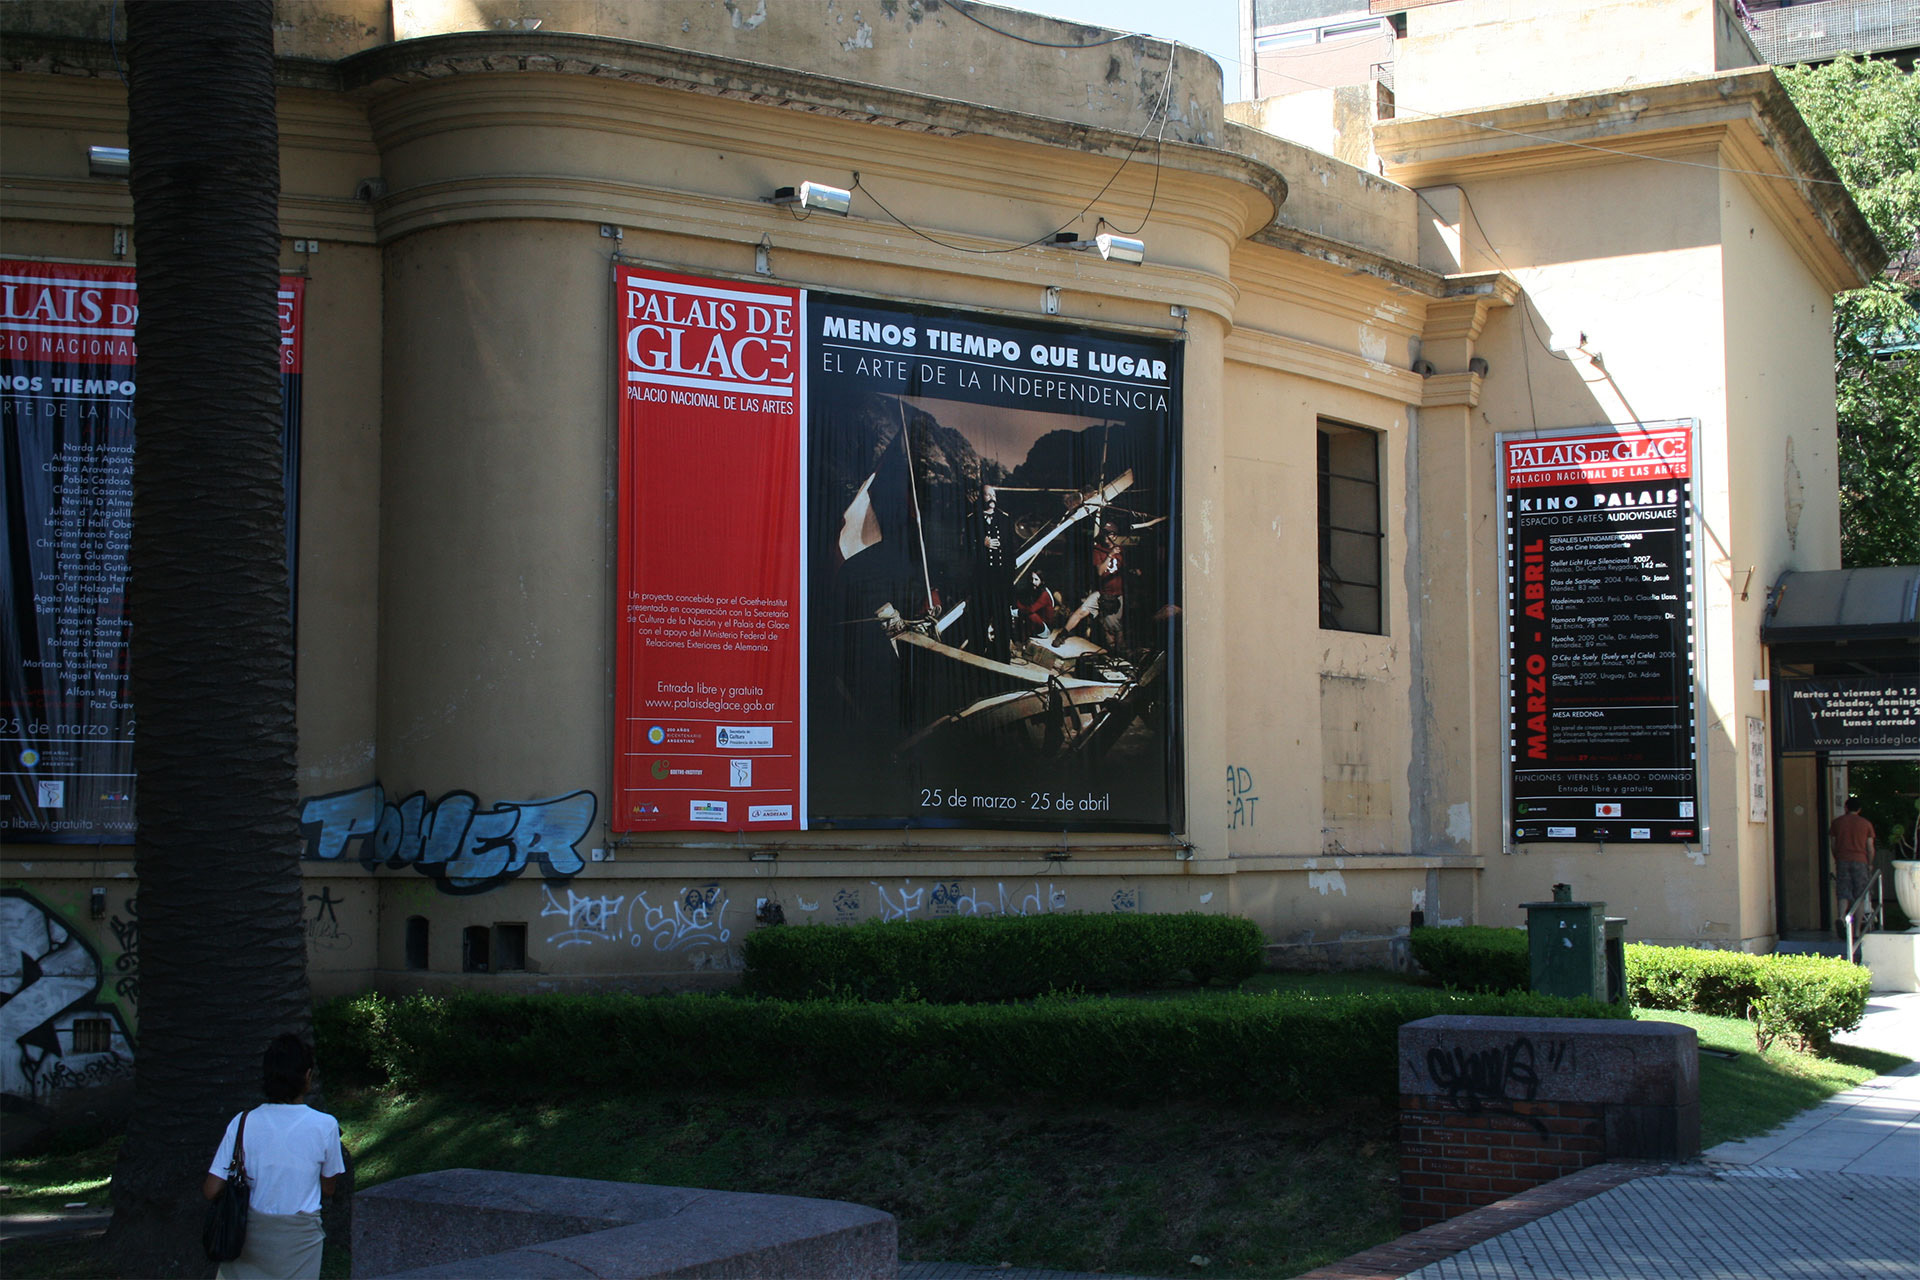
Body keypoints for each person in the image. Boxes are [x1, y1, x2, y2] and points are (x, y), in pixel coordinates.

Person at [204, 1034, 345, 1280]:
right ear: (307, 1077)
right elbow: (329, 1188)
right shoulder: (325, 1126)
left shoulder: (242, 1122)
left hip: (248, 1236)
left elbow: (211, 1189)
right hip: (300, 1239)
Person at [1830, 796, 1876, 924]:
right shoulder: (1866, 824)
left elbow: (1833, 844)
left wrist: (1837, 857)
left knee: (1843, 891)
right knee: (1860, 895)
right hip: (1861, 861)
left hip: (1843, 860)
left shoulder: (1837, 823)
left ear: (1846, 807)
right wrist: (1870, 863)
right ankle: (1857, 929)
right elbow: (1870, 847)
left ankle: (1841, 917)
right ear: (1859, 809)